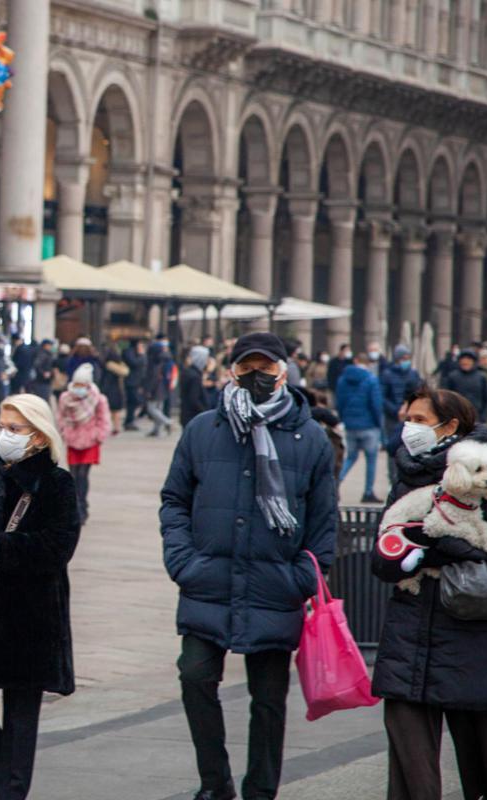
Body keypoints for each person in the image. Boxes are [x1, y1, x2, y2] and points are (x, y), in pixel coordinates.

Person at [160, 332, 337, 800]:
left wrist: (304, 575)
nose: (256, 377)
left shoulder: (310, 437)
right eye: (246, 368)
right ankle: (214, 784)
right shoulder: (204, 428)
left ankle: (261, 790)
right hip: (208, 580)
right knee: (195, 676)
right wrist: (182, 560)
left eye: (266, 368)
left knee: (269, 701)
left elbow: (323, 520)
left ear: (284, 372)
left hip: (275, 585)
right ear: (232, 371)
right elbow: (175, 499)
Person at [371, 386, 487, 800]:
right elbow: (383, 554)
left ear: (450, 426)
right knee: (409, 768)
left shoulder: (486, 474)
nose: (409, 428)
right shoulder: (406, 475)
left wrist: (438, 544)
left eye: (419, 420)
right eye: (408, 418)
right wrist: (399, 555)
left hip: (474, 637)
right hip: (410, 636)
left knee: (484, 762)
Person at [0, 394, 80, 800]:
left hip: (30, 613)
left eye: (15, 428)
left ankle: (7, 792)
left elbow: (58, 546)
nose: (4, 435)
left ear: (40, 437)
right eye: (0, 426)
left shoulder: (57, 483)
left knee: (21, 712)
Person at [57, 363, 111, 524]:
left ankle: (82, 506)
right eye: (77, 384)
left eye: (82, 384)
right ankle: (76, 507)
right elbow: (60, 416)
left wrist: (99, 435)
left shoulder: (98, 399)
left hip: (90, 440)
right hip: (73, 439)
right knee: (73, 475)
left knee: (82, 474)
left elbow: (104, 419)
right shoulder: (66, 398)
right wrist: (64, 431)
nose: (79, 388)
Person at [336, 353, 385, 504]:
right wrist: (379, 424)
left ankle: (336, 483)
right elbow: (376, 404)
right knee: (371, 460)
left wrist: (344, 418)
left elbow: (339, 402)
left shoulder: (342, 379)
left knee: (350, 457)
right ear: (368, 363)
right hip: (369, 425)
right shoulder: (371, 379)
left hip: (350, 424)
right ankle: (368, 492)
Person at [380, 344, 422, 485]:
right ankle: (393, 478)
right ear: (397, 358)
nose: (406, 360)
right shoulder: (387, 374)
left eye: (407, 357)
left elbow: (419, 393)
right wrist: (396, 410)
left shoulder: (413, 374)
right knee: (393, 447)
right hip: (393, 417)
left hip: (412, 416)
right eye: (403, 358)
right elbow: (382, 397)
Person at [442, 349, 487, 423]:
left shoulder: (481, 377)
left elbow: (486, 398)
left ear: (473, 362)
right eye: (463, 360)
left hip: (476, 416)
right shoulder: (452, 376)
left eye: (468, 360)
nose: (465, 362)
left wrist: (484, 416)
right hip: (456, 417)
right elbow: (446, 398)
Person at [179, 345, 210, 427]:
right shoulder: (194, 376)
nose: (207, 361)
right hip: (193, 417)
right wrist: (205, 412)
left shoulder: (188, 372)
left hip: (187, 415)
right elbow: (194, 399)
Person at [101, 344, 128, 435]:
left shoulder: (106, 365)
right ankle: (116, 427)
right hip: (117, 390)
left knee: (109, 410)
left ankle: (112, 427)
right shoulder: (120, 367)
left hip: (109, 389)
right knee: (115, 411)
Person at [122, 339, 147, 430]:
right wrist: (141, 355)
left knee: (133, 402)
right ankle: (129, 421)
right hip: (132, 381)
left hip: (137, 381)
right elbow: (134, 363)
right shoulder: (129, 352)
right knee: (134, 401)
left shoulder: (136, 353)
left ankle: (130, 420)